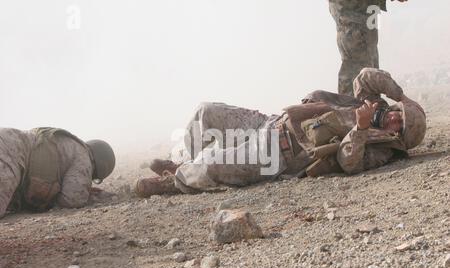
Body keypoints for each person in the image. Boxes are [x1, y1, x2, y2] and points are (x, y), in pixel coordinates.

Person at [135, 68, 426, 197]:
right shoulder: (370, 102)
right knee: (206, 112)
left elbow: (350, 162)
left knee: (215, 165)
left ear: (399, 139)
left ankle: (176, 181)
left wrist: (360, 129)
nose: (393, 120)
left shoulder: (382, 150)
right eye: (397, 115)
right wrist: (401, 96)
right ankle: (185, 159)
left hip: (278, 154)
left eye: (399, 127)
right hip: (272, 122)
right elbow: (365, 75)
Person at [0, 127, 116, 218]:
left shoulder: (70, 145)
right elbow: (73, 199)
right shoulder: (84, 158)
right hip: (10, 151)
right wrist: (93, 197)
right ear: (98, 167)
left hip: (8, 140)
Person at [329, 0, 408, 95]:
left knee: (370, 59)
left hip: (367, 10)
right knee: (357, 64)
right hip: (353, 11)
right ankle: (354, 106)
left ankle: (370, 104)